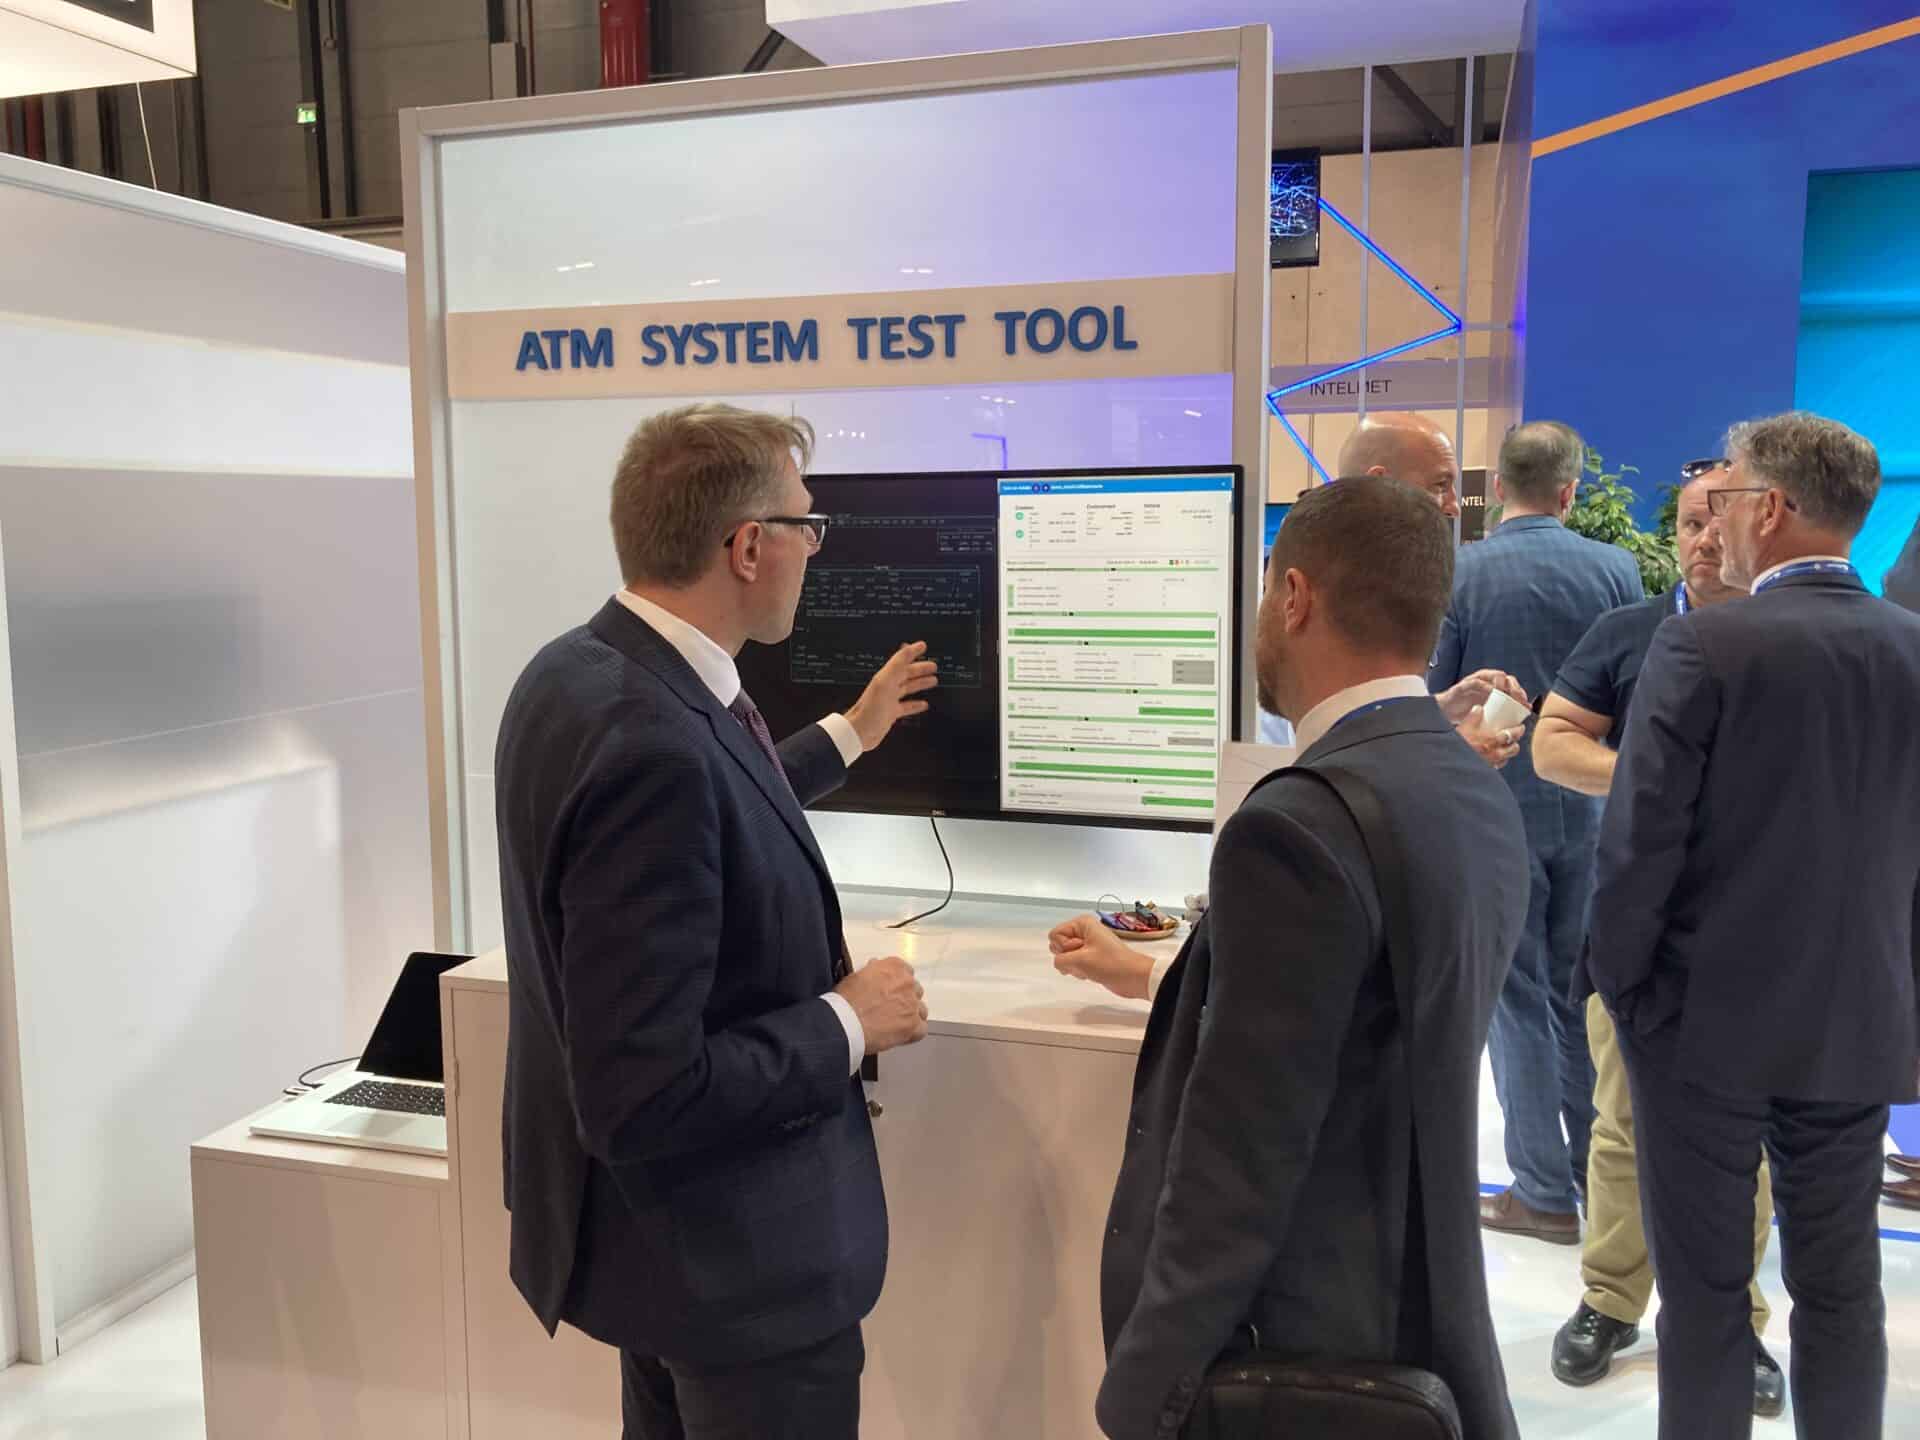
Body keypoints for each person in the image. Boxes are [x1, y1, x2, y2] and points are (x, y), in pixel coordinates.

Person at [494, 403, 940, 1440]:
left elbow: (712, 811)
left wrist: (849, 733)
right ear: (746, 547)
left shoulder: (574, 673)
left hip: (656, 1257)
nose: (812, 548)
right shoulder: (654, 746)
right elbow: (644, 1092)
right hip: (739, 1276)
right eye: (805, 525)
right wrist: (851, 1020)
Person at [1051, 476, 1531, 1440]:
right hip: (1409, 1311)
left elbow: (1241, 1157)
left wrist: (1145, 1389)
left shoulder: (1299, 824)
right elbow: (1354, 1025)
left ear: (1296, 596)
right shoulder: (1470, 788)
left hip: (1294, 1344)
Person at [1588, 412, 1920, 1440]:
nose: (1715, 525)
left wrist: (1620, 989)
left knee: (1704, 1294)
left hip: (1701, 1028)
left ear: (1770, 508)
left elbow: (1641, 843)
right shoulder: (1913, 648)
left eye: (1725, 500)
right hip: (1858, 1020)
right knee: (1842, 1287)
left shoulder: (1703, 642)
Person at [1531, 463, 1783, 1415]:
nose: (1704, 540)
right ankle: (1609, 1300)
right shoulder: (1628, 632)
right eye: (1687, 523)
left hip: (1761, 935)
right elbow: (1553, 742)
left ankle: (1732, 1320)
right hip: (1635, 928)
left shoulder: (1791, 642)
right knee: (1622, 1126)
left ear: (1762, 523)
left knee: (1746, 1140)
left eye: (1720, 520)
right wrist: (1656, 775)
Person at [1430, 420, 1643, 1245]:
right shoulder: (1616, 569)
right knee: (1578, 995)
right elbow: (1631, 688)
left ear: (1497, 488)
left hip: (1495, 808)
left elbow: (1443, 694)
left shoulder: (1462, 571)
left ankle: (1541, 1192)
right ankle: (1594, 1175)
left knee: (1514, 999)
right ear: (1569, 490)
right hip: (1589, 804)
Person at [1337, 414, 1533, 769]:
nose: (1454, 506)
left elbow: (1370, 720)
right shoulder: (1323, 603)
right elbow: (1320, 758)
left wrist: (1443, 707)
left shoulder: (1388, 589)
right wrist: (1456, 755)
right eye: (1440, 485)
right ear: (1380, 483)